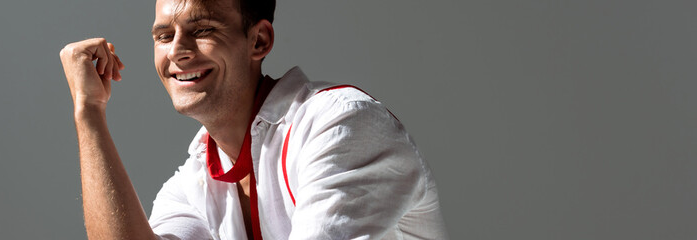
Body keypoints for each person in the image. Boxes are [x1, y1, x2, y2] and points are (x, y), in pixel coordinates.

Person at [59, 0, 448, 239]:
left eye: (203, 29)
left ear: (259, 41)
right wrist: (89, 112)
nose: (177, 51)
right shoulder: (194, 183)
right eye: (163, 35)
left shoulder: (341, 125)